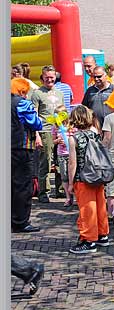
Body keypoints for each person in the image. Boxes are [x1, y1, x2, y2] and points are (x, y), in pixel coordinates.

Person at [67, 105, 111, 254]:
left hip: (83, 177)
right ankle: (102, 234)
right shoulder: (95, 135)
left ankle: (88, 240)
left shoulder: (74, 138)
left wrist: (70, 183)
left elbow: (72, 163)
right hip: (97, 175)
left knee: (87, 209)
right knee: (100, 206)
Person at [11, 77, 43, 233]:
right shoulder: (21, 103)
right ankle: (21, 222)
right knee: (23, 186)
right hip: (22, 148)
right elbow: (35, 123)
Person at [30, 65, 64, 203]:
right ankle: (44, 192)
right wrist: (36, 134)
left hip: (59, 130)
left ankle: (61, 189)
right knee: (46, 162)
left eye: (52, 77)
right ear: (42, 77)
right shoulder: (37, 93)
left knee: (60, 160)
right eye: (47, 77)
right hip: (45, 131)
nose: (50, 79)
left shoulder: (59, 93)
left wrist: (64, 130)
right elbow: (34, 115)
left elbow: (63, 113)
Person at [51, 105, 75, 208]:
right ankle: (68, 197)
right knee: (64, 176)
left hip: (71, 154)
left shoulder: (72, 125)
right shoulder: (55, 127)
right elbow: (53, 140)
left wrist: (70, 140)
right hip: (61, 154)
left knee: (73, 176)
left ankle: (76, 196)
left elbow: (76, 137)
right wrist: (58, 141)